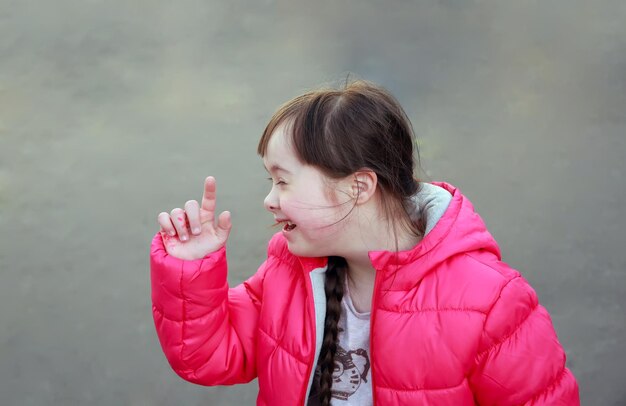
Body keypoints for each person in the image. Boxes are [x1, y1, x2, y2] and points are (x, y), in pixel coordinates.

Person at [149, 80, 580, 405]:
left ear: (359, 187)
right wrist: (191, 269)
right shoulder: (291, 271)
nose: (269, 200)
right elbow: (208, 357)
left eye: (282, 181)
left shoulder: (491, 303)